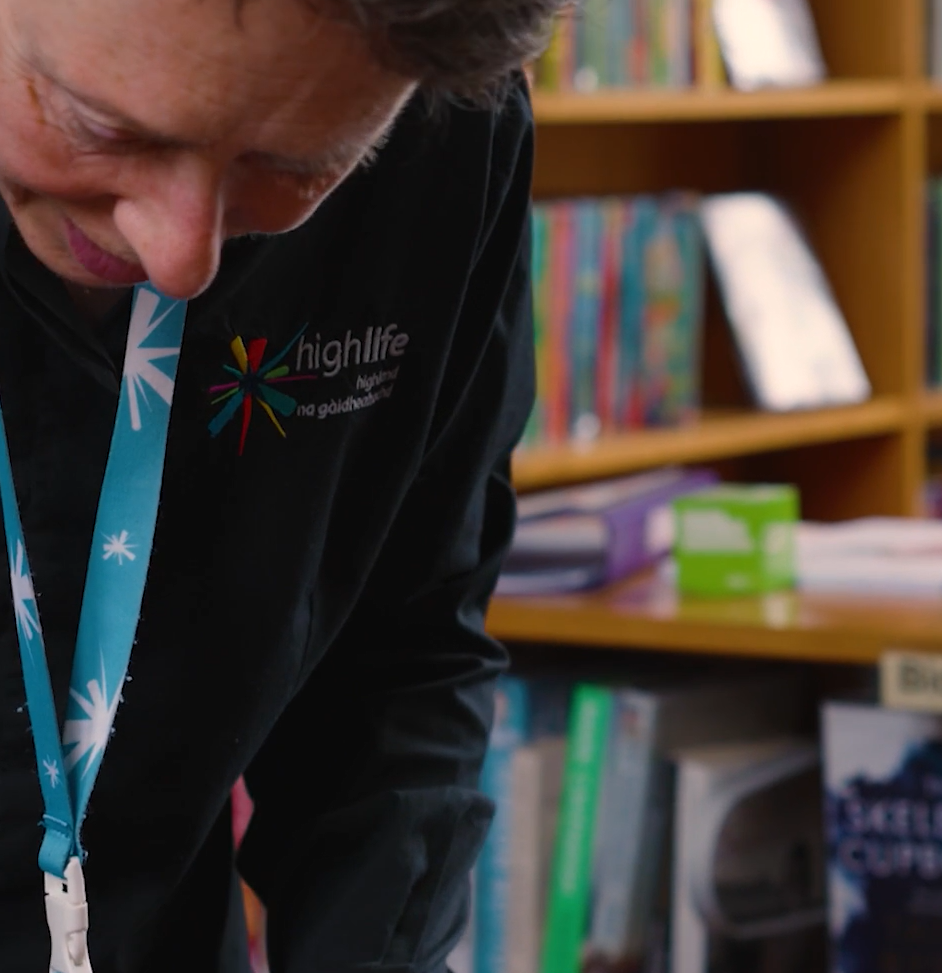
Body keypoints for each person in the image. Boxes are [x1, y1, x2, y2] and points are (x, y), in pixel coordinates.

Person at [0, 0, 560, 968]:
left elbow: (402, 652)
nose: (180, 256)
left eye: (295, 171)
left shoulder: (442, 116)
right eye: (100, 129)